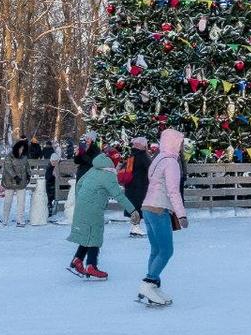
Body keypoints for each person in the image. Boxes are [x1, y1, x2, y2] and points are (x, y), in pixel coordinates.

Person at [133, 128, 188, 306]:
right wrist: (181, 215)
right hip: (158, 209)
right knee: (166, 251)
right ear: (174, 143)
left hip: (147, 208)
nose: (181, 147)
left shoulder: (158, 158)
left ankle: (153, 286)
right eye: (180, 143)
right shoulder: (171, 162)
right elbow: (173, 191)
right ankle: (148, 283)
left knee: (156, 250)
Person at [65, 149, 138, 282]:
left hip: (83, 204)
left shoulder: (95, 168)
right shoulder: (108, 174)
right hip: (93, 208)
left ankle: (77, 260)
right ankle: (91, 265)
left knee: (88, 234)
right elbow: (119, 195)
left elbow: (79, 183)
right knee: (95, 235)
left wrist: (81, 198)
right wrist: (133, 210)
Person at [122, 136, 151, 238]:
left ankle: (134, 226)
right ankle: (135, 228)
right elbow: (151, 169)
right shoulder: (143, 156)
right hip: (140, 186)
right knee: (138, 207)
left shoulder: (131, 156)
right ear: (142, 146)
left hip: (130, 186)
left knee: (133, 207)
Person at [0, 138, 31, 227]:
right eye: (20, 148)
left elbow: (27, 167)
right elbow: (8, 168)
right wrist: (15, 176)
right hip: (10, 182)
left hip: (21, 183)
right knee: (8, 201)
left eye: (23, 149)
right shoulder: (9, 157)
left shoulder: (24, 157)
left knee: (21, 202)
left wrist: (29, 175)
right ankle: (5, 219)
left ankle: (20, 220)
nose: (21, 150)